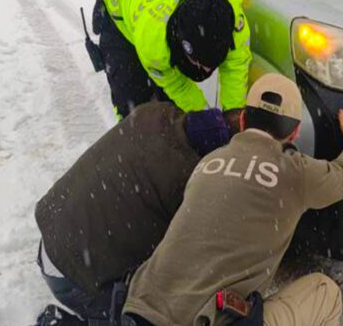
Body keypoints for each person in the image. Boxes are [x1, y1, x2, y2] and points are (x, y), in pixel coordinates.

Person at [122, 73, 343, 326]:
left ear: (243, 119)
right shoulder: (293, 172)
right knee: (326, 293)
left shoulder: (208, 162)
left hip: (139, 311)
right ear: (295, 133)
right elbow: (342, 178)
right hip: (205, 320)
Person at [34, 101, 233, 325]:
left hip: (53, 234)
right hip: (73, 275)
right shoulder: (182, 184)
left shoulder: (156, 113)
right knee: (147, 315)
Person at [100, 0, 252, 125]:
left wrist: (232, 118)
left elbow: (236, 65)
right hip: (120, 19)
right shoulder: (153, 42)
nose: (207, 71)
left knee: (176, 116)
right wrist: (207, 121)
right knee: (136, 114)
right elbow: (180, 88)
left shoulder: (232, 15)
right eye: (200, 64)